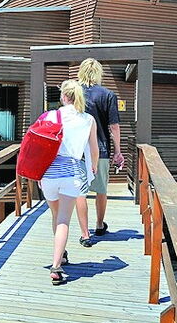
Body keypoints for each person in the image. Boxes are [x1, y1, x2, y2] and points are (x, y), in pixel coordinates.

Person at [39, 80, 99, 285]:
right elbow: (93, 148)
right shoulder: (88, 119)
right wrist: (94, 167)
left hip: (48, 173)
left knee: (55, 215)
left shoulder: (50, 115)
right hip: (71, 173)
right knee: (64, 219)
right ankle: (56, 266)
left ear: (64, 97)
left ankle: (61, 254)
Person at [76, 58, 123, 242]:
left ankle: (85, 234)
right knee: (101, 190)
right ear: (99, 73)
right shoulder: (107, 94)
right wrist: (118, 151)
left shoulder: (75, 93)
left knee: (81, 191)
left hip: (77, 150)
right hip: (101, 149)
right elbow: (114, 126)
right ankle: (99, 225)